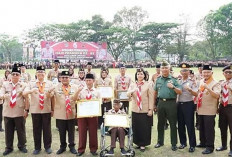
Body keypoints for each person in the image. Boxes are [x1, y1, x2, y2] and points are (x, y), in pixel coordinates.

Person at [23, 66, 54, 155]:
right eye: (38, 71)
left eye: (42, 71)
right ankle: (37, 147)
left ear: (45, 73)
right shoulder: (31, 83)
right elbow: (24, 93)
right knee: (36, 129)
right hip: (35, 109)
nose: (40, 73)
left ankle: (47, 147)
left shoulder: (49, 83)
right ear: (36, 73)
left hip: (46, 109)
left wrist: (52, 108)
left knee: (47, 129)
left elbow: (51, 96)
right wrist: (31, 90)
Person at [0, 66, 28, 156]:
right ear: (10, 76)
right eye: (13, 74)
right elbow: (1, 94)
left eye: (17, 74)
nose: (15, 76)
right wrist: (5, 96)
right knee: (8, 130)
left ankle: (22, 146)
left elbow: (26, 98)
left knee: (21, 130)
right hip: (8, 110)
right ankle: (9, 147)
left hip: (19, 110)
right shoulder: (5, 84)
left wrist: (26, 110)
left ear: (20, 76)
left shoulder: (23, 85)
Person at [154, 61, 182, 151]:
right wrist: (155, 104)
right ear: (160, 69)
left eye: (166, 68)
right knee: (160, 123)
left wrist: (173, 87)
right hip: (161, 102)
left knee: (173, 124)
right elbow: (155, 92)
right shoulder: (158, 79)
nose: (164, 69)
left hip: (171, 103)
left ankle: (174, 143)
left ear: (169, 69)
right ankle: (160, 141)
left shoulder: (174, 79)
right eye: (163, 68)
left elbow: (180, 92)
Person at [53, 71, 80, 155]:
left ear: (70, 78)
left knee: (71, 131)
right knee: (62, 131)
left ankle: (72, 146)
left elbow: (77, 99)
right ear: (60, 78)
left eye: (66, 77)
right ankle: (62, 146)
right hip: (60, 112)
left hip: (71, 112)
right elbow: (49, 96)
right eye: (63, 77)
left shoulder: (75, 87)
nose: (64, 79)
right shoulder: (56, 87)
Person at [127, 68, 154, 152]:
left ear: (144, 75)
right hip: (135, 109)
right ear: (136, 75)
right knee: (136, 127)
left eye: (141, 74)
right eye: (138, 74)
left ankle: (143, 144)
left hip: (145, 109)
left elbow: (151, 98)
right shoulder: (132, 84)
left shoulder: (148, 84)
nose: (140, 75)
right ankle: (137, 143)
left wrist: (150, 109)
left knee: (144, 128)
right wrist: (132, 90)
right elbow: (127, 95)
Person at [196, 65, 221, 154]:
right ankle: (203, 142)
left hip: (210, 110)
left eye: (208, 72)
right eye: (204, 72)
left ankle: (210, 146)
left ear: (212, 73)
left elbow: (217, 95)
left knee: (209, 129)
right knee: (201, 127)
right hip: (201, 108)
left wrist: (208, 88)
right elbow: (199, 93)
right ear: (201, 73)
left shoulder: (215, 83)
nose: (206, 74)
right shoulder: (201, 81)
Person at [77, 73, 100, 156]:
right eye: (86, 80)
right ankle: (81, 149)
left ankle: (93, 149)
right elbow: (77, 100)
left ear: (93, 81)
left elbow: (99, 103)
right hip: (82, 114)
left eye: (90, 80)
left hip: (93, 115)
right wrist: (78, 92)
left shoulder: (97, 91)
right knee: (82, 132)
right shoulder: (81, 90)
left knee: (93, 132)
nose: (88, 82)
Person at [177, 63, 197, 153]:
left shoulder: (193, 82)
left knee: (190, 125)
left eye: (186, 70)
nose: (184, 72)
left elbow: (196, 94)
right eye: (182, 70)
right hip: (179, 104)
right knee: (180, 125)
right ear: (180, 71)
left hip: (188, 104)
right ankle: (183, 143)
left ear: (189, 71)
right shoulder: (178, 81)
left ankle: (192, 145)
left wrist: (190, 89)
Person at [216, 65, 232, 156]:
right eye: (226, 72)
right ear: (223, 73)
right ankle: (223, 145)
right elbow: (220, 95)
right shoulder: (221, 83)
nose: (228, 74)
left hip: (231, 107)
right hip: (222, 107)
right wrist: (218, 107)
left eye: (230, 72)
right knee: (222, 127)